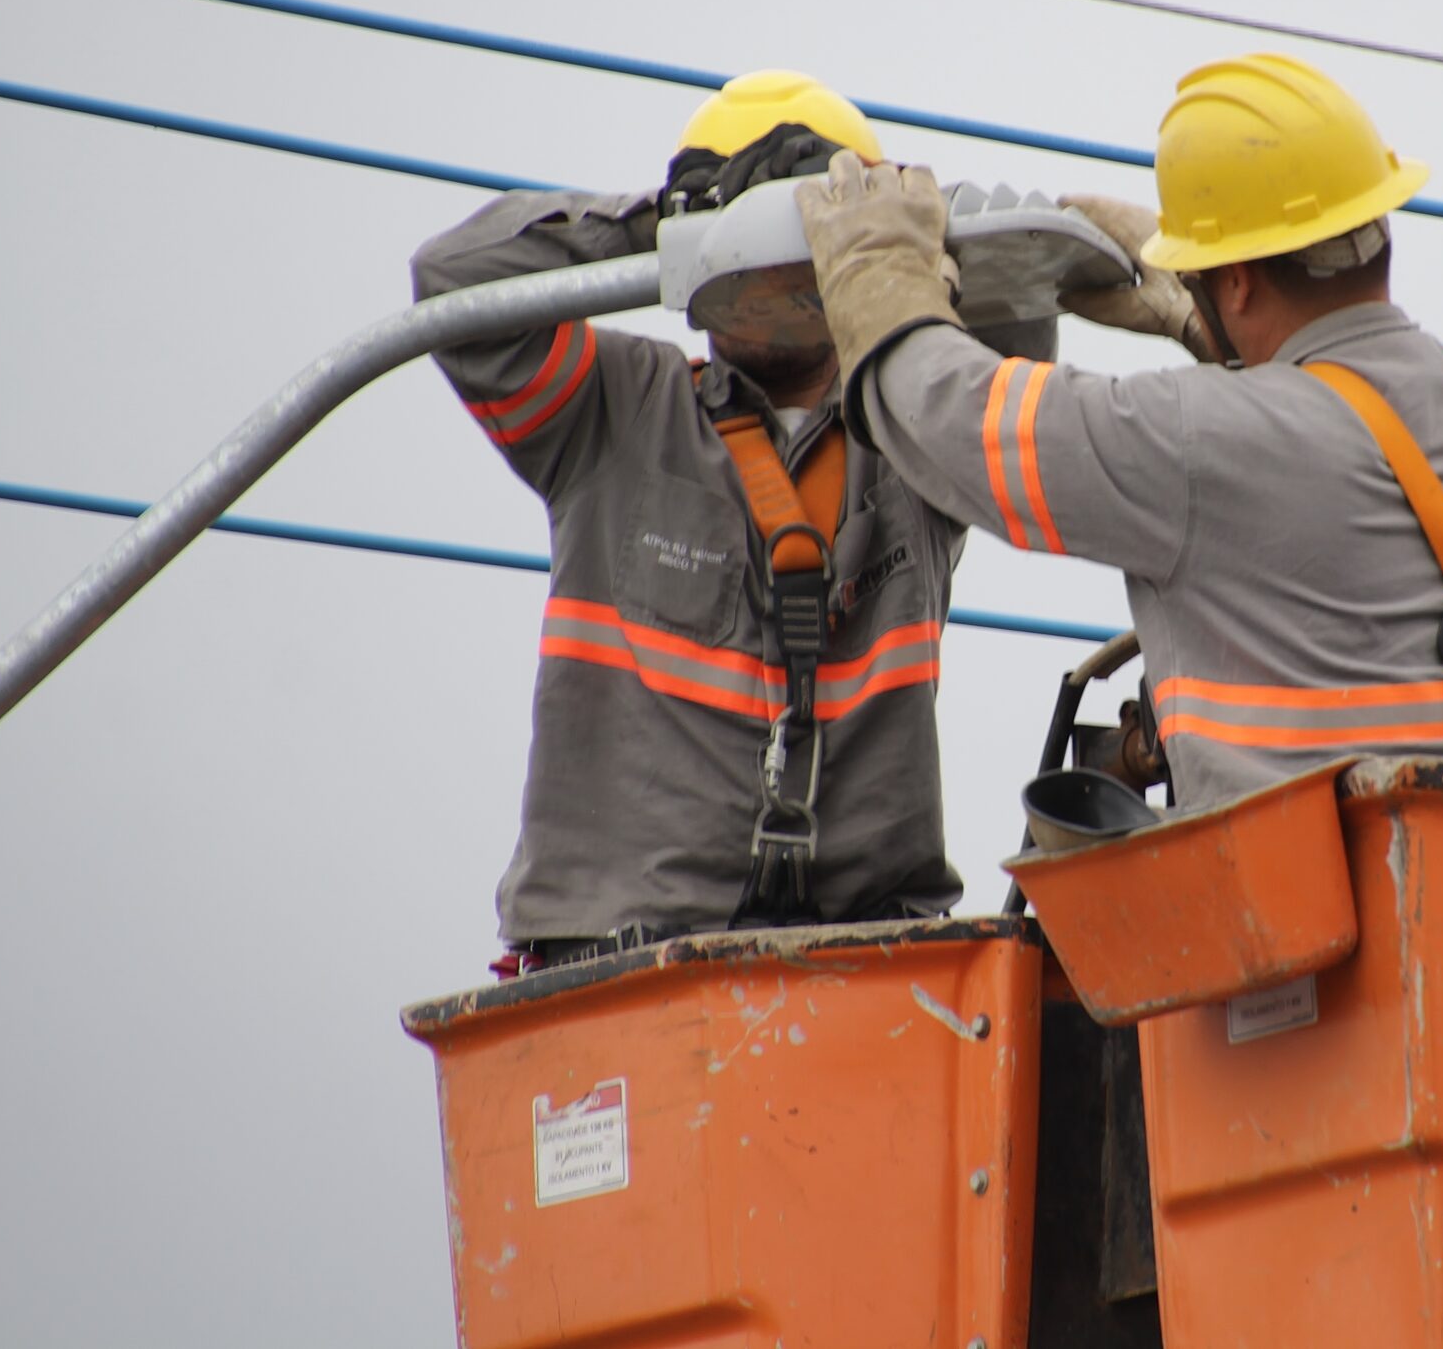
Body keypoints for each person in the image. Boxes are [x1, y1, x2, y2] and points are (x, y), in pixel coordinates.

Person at [799, 52, 1443, 809]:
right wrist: (1204, 317)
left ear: (1237, 281)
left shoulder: (1191, 440)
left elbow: (953, 419)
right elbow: (1330, 444)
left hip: (1325, 934)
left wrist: (875, 272)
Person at [412, 70, 1015, 969]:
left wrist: (914, 238)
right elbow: (454, 281)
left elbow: (1017, 353)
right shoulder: (613, 413)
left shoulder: (918, 431)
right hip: (621, 973)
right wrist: (669, 219)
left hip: (873, 969)